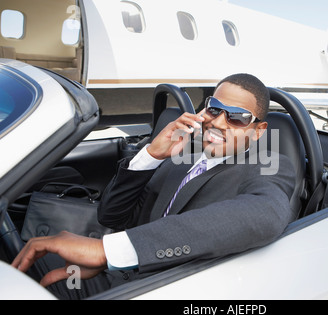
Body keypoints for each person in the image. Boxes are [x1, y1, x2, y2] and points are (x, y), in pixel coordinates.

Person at [12, 73, 296, 299]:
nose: (219, 122)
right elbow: (112, 217)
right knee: (24, 270)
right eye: (215, 108)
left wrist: (107, 251)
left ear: (258, 132)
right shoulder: (183, 154)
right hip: (113, 272)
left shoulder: (268, 165)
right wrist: (150, 156)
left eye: (237, 117)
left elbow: (265, 215)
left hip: (159, 286)